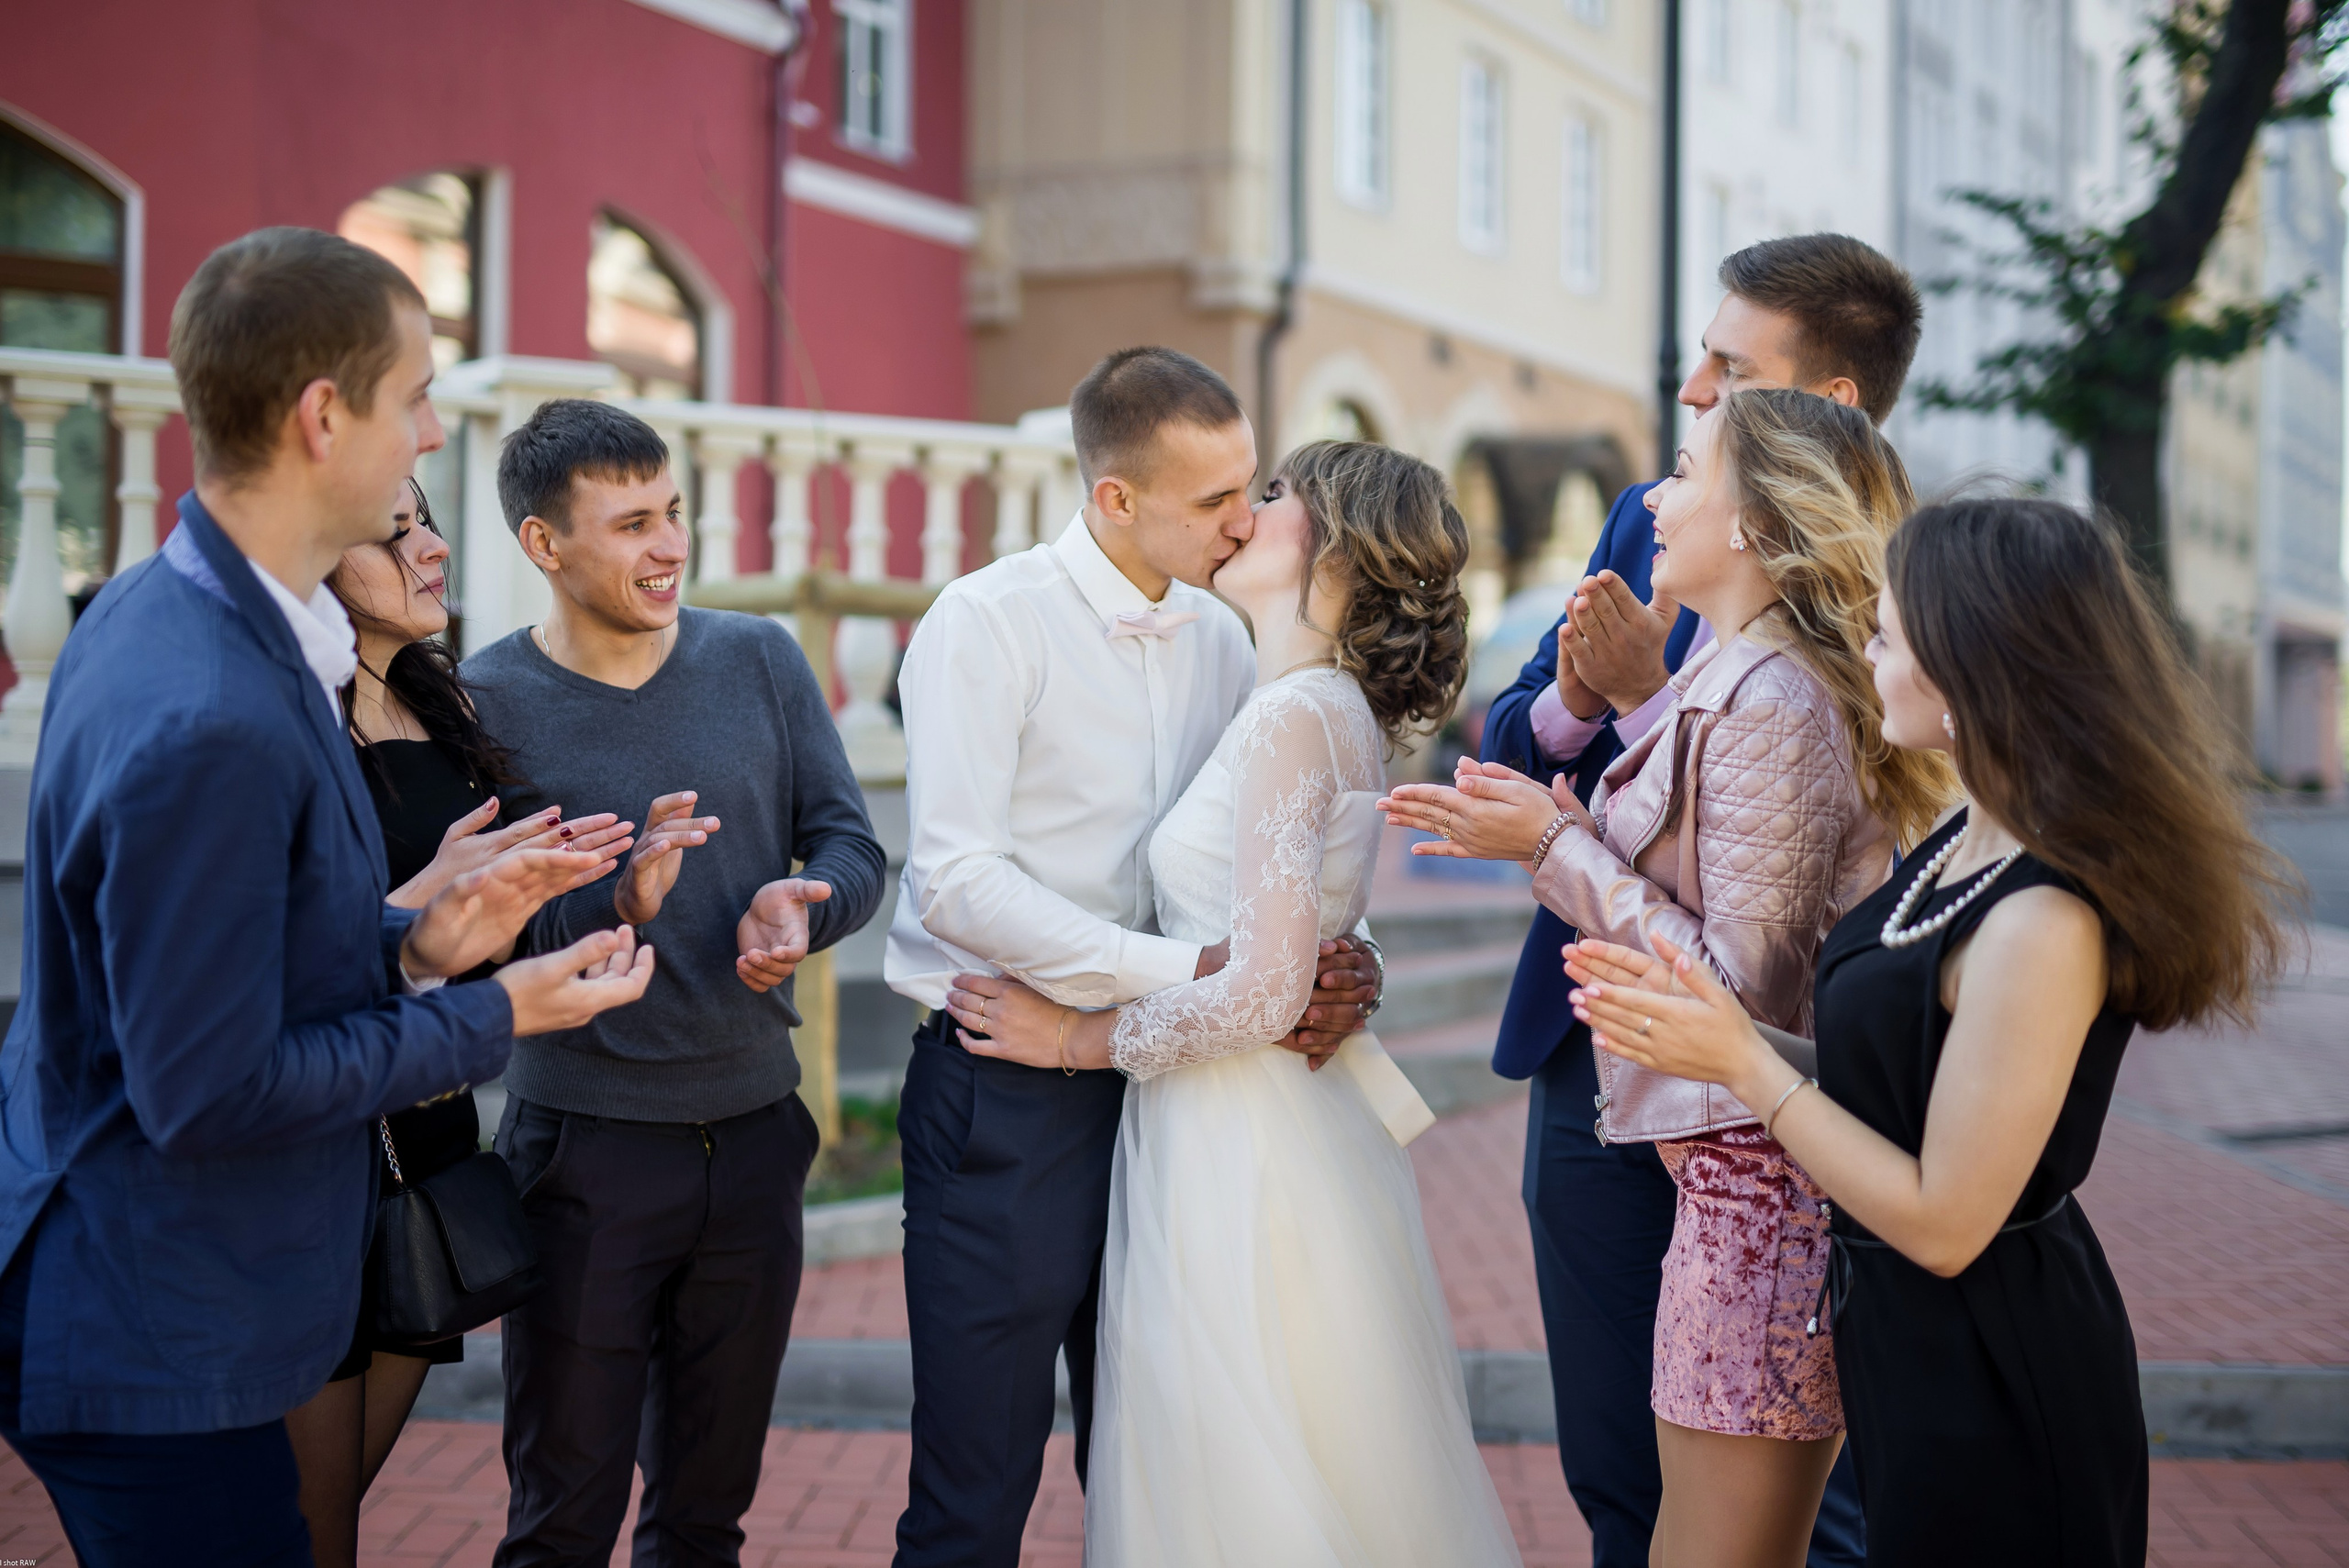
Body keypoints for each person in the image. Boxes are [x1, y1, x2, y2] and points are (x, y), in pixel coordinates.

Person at [0, 228, 652, 1568]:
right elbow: (208, 1088)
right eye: (413, 397)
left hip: (162, 1300)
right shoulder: (215, 709)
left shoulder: (159, 604)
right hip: (162, 1333)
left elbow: (211, 971)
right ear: (322, 418)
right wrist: (495, 1013)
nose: (427, 434)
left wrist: (417, 943)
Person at [1564, 497, 2296, 1567]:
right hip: (1908, 1350)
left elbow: (1945, 1217)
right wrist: (1730, 1035)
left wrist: (1741, 1067)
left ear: (1973, 666)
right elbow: (1894, 1079)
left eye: (1889, 635)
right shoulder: (1969, 834)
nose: (1865, 655)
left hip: (1994, 1370)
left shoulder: (2044, 915)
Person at [1384, 389, 1957, 1568]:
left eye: (1688, 472)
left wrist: (1549, 847)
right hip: (1723, 1193)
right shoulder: (1735, 678)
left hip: (1760, 1206)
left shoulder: (1774, 698)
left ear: (1749, 525)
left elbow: (1735, 996)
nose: (1655, 496)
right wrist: (1547, 822)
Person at [945, 439, 1519, 1565]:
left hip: (1237, 1130)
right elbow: (1313, 931)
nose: (1247, 515)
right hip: (1281, 1120)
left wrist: (1073, 1037)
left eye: (1272, 496)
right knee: (1305, 1435)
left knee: (1238, 1454)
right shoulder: (1326, 705)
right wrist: (1355, 962)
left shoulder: (1285, 718)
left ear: (1339, 548)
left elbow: (1262, 988)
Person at [884, 347, 1382, 1568]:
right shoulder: (985, 623)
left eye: (1249, 487)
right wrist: (1184, 974)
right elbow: (953, 878)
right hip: (1011, 1091)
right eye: (1213, 500)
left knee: (1160, 1470)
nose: (1244, 518)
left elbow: (1265, 853)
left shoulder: (1231, 641)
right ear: (1115, 498)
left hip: (1183, 1106)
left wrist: (1339, 954)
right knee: (974, 1489)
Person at [461, 397, 888, 1565]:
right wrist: (617, 904)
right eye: (633, 522)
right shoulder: (485, 701)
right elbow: (477, 935)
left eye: (675, 513)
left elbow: (852, 844)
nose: (670, 546)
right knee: (561, 1517)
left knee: (705, 1517)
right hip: (585, 1149)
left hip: (755, 1137)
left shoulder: (759, 658)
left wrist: (809, 904)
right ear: (545, 545)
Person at [284, 477, 638, 1568]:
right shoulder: (291, 716)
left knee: (334, 1512)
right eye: (396, 534)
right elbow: (272, 953)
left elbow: (492, 931)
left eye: (428, 521)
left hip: (428, 1154)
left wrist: (614, 893)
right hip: (321, 1150)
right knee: (309, 1529)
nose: (433, 549)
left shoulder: (444, 704)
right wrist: (405, 915)